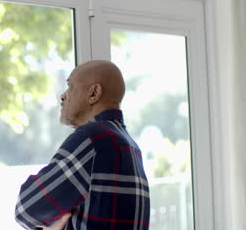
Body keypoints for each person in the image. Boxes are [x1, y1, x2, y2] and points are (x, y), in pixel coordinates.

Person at [15, 60, 150, 230]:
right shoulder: (130, 146)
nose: (63, 95)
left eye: (70, 87)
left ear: (94, 93)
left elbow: (27, 209)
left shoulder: (93, 138)